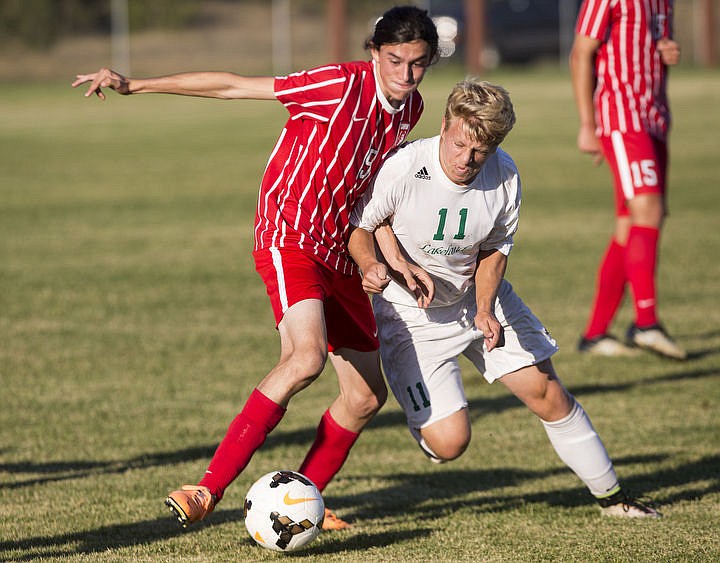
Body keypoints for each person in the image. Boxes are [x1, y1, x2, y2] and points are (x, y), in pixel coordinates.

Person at [72, 6, 439, 529]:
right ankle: (207, 488)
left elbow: (370, 193)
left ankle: (304, 497)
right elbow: (234, 87)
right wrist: (136, 84)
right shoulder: (335, 85)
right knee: (306, 357)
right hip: (289, 234)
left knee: (364, 397)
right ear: (374, 53)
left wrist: (384, 257)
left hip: (338, 250)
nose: (406, 74)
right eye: (396, 60)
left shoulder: (410, 108)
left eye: (418, 64)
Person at [347, 78, 661, 518]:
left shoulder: (505, 174)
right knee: (450, 442)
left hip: (476, 301)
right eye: (458, 144)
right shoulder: (404, 166)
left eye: (480, 151)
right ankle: (429, 424)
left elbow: (495, 251)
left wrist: (483, 308)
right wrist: (371, 266)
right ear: (445, 125)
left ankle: (614, 499)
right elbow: (361, 227)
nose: (466, 159)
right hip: (411, 317)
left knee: (546, 391)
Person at [570, 0, 686, 359]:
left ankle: (595, 334)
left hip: (655, 118)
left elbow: (652, 43)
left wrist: (666, 50)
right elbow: (580, 53)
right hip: (622, 117)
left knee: (630, 224)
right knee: (647, 211)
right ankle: (646, 323)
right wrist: (588, 125)